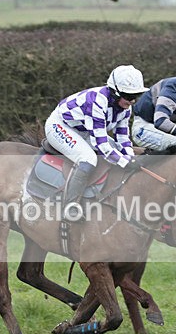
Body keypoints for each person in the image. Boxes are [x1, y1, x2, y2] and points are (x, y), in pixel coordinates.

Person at [44, 65, 147, 221]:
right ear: (115, 92)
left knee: (119, 154)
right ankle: (69, 206)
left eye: (136, 96)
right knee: (88, 159)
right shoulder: (97, 102)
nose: (132, 101)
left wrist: (131, 158)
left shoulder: (126, 107)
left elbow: (123, 138)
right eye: (128, 96)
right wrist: (125, 162)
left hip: (84, 130)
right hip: (60, 126)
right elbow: (101, 145)